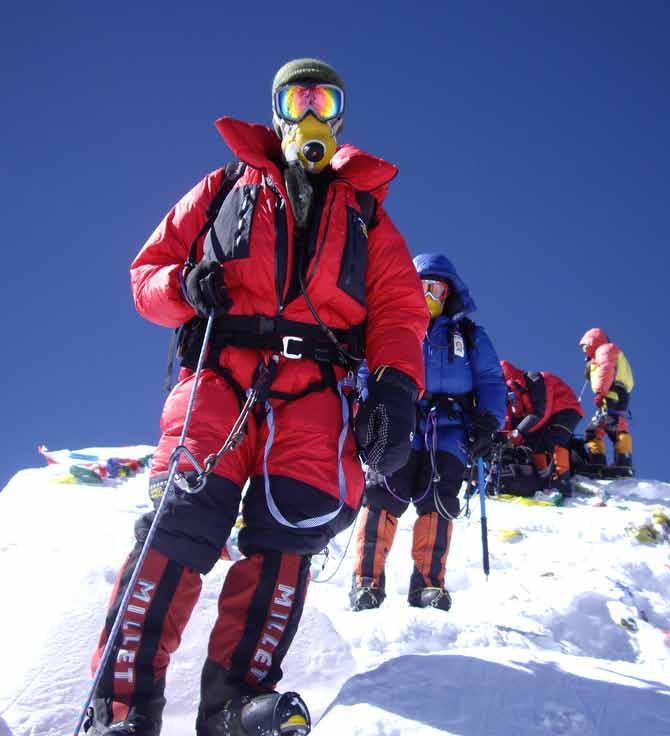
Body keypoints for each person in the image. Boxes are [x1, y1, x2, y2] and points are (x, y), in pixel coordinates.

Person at [87, 58, 428, 736]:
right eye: (299, 100)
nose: (312, 116)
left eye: (325, 102)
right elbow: (147, 275)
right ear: (277, 112)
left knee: (289, 536)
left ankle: (235, 704)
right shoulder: (224, 186)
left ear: (340, 118)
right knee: (181, 520)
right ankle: (121, 707)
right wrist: (185, 285)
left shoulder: (368, 215)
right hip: (222, 377)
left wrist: (396, 387)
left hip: (315, 393)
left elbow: (398, 311)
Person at [349, 253, 504, 612]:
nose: (430, 296)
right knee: (383, 492)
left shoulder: (470, 336)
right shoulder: (393, 325)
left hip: (450, 429)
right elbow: (367, 369)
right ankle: (366, 582)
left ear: (450, 293)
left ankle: (429, 585)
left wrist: (488, 422)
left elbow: (491, 380)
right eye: (423, 287)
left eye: (437, 289)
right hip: (399, 418)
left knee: (439, 500)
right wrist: (366, 406)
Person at [501, 360, 582, 494]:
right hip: (543, 416)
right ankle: (542, 478)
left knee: (556, 438)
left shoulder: (535, 380)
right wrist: (505, 437)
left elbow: (541, 412)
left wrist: (519, 432)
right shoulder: (510, 397)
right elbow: (509, 420)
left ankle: (561, 480)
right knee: (534, 443)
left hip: (566, 408)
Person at [578, 327, 635, 477]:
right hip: (612, 395)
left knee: (614, 426)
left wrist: (600, 392)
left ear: (592, 341)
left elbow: (606, 369)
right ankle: (598, 462)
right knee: (594, 431)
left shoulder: (605, 349)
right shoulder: (600, 354)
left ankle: (623, 464)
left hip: (613, 394)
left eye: (585, 346)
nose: (584, 350)